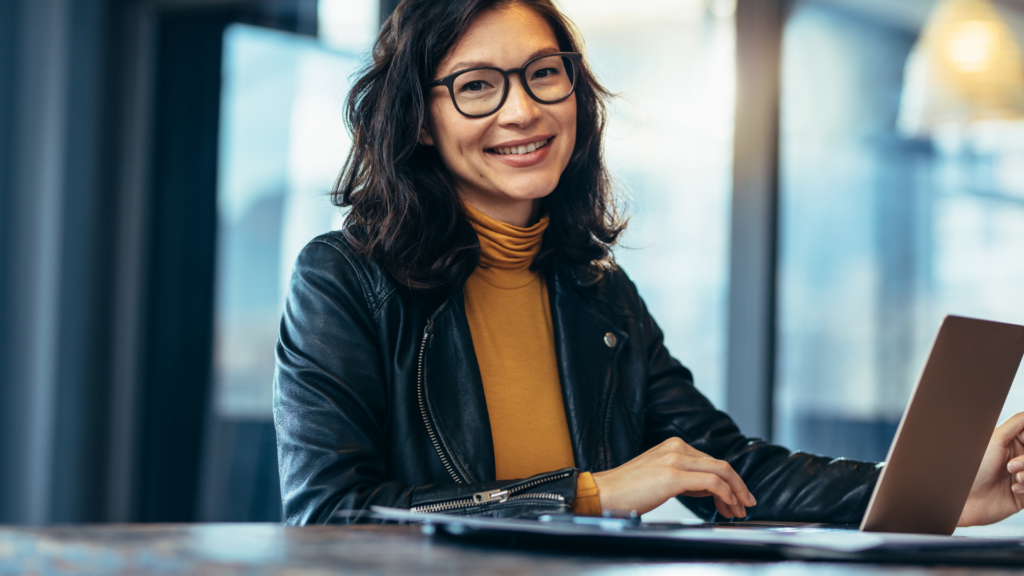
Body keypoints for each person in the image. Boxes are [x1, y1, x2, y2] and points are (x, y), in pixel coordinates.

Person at [273, 0, 1024, 526]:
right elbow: (332, 513)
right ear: (420, 120)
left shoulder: (599, 293)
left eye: (544, 73)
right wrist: (592, 493)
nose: (522, 111)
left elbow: (729, 472)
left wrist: (945, 488)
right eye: (476, 86)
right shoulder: (343, 280)